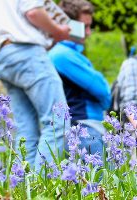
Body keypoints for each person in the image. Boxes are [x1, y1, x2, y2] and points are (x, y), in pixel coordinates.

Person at [0, 0, 71, 167]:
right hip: (27, 52)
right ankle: (42, 188)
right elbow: (33, 12)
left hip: (3, 55)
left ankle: (25, 188)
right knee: (58, 121)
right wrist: (58, 31)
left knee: (26, 130)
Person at [48, 0, 107, 157]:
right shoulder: (61, 54)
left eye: (90, 27)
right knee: (98, 181)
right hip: (83, 129)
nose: (89, 32)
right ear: (69, 24)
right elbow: (103, 90)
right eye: (85, 27)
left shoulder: (72, 54)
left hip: (90, 128)